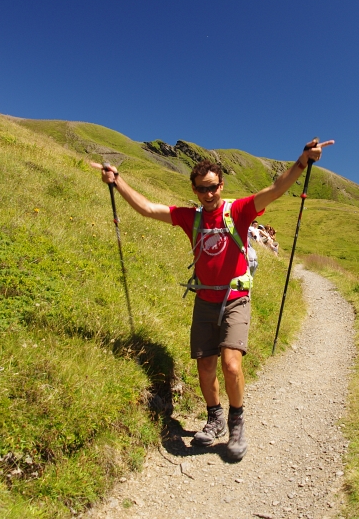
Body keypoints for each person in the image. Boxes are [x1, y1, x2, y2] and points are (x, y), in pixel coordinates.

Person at [91, 138, 333, 462]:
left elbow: (275, 189)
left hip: (235, 298)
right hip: (204, 299)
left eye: (213, 187)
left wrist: (302, 162)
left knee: (231, 365)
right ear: (194, 190)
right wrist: (118, 181)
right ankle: (215, 417)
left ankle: (236, 421)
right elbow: (148, 209)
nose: (208, 194)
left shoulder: (239, 210)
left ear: (222, 185)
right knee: (206, 368)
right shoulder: (189, 217)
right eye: (202, 189)